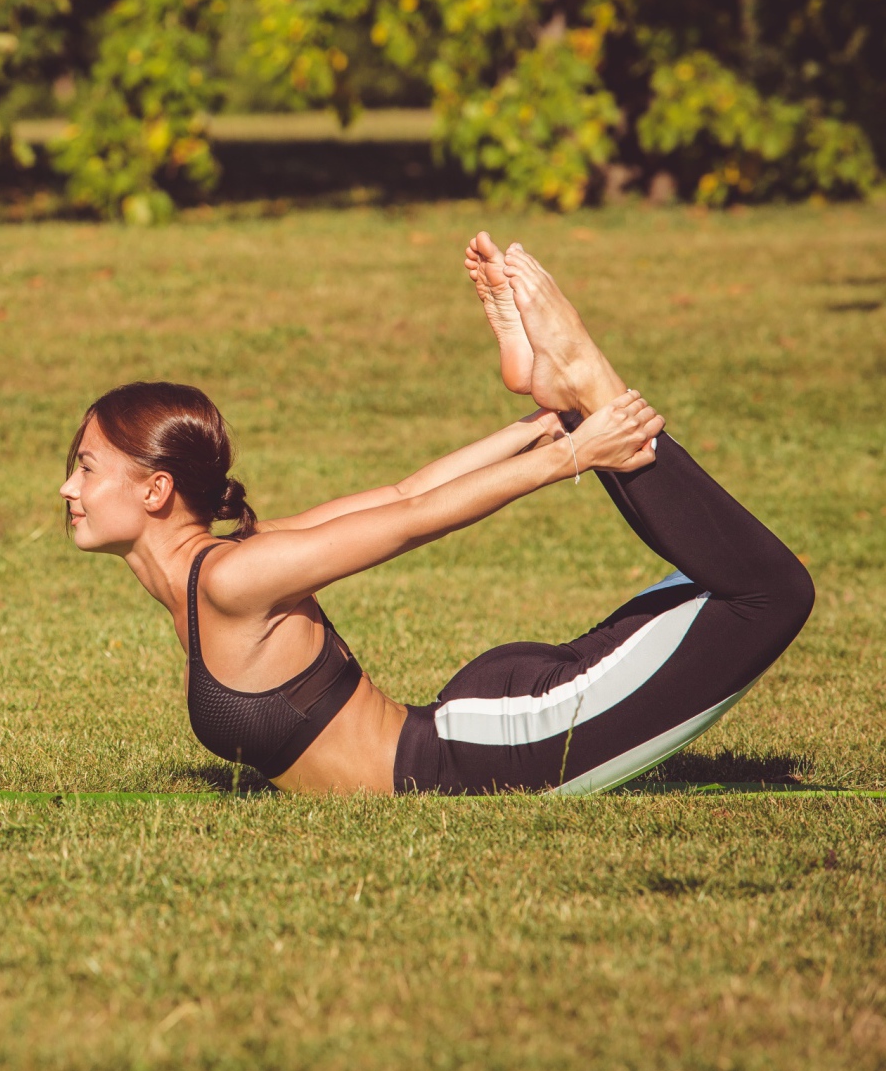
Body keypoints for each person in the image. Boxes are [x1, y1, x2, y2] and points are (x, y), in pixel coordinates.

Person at [58, 233, 813, 795]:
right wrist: (533, 429)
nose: (68, 488)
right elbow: (399, 494)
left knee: (769, 593)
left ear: (156, 491)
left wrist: (568, 454)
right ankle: (570, 396)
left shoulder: (233, 577)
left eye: (86, 467)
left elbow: (412, 518)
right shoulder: (230, 563)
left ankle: (589, 382)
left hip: (503, 750)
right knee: (740, 586)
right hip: (477, 732)